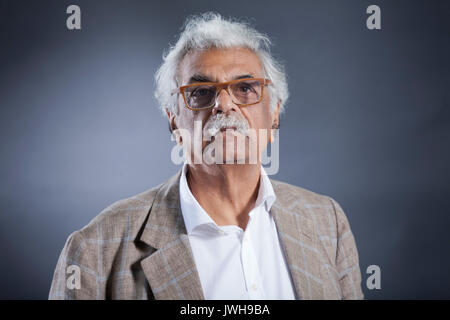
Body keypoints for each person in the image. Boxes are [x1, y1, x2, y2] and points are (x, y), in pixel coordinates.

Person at [49, 12, 363, 300]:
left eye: (245, 88)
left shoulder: (328, 222)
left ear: (275, 114)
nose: (224, 104)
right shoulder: (94, 251)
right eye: (201, 92)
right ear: (173, 119)